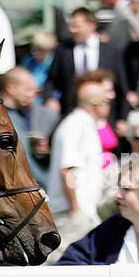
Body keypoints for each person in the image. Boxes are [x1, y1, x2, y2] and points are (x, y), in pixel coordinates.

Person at [46, 76, 114, 258]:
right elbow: (68, 169)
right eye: (106, 101)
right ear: (95, 104)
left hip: (83, 210)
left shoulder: (84, 125)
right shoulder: (74, 125)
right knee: (55, 260)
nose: (109, 105)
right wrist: (76, 209)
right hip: (72, 211)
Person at [44, 7, 129, 123]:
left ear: (91, 25)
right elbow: (51, 80)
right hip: (71, 114)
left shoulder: (111, 52)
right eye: (71, 26)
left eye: (76, 26)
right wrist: (50, 99)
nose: (72, 30)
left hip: (103, 118)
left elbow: (122, 87)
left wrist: (122, 118)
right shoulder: (63, 51)